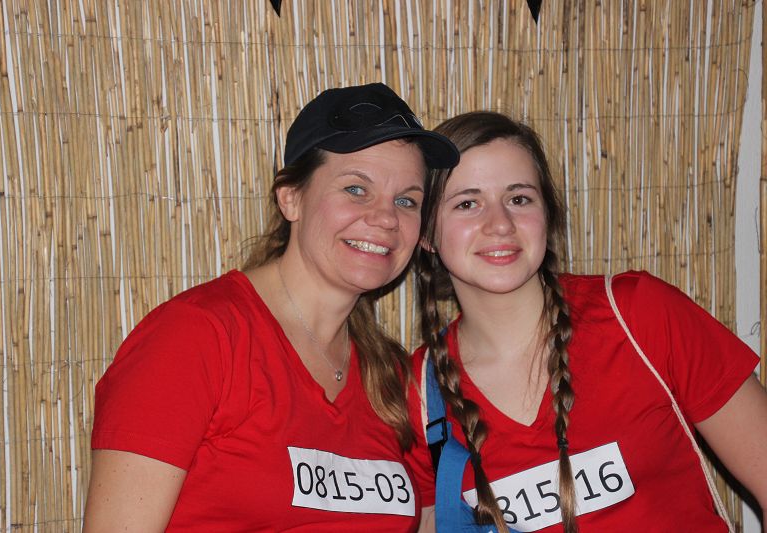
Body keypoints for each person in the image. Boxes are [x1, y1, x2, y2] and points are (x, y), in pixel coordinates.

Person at [82, 82, 459, 532]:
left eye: (406, 200)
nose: (385, 218)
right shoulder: (196, 336)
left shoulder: (392, 378)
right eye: (356, 189)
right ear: (291, 197)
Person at [405, 111, 767, 532]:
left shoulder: (639, 313)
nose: (500, 224)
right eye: (467, 204)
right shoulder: (420, 393)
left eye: (519, 199)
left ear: (547, 214)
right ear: (426, 234)